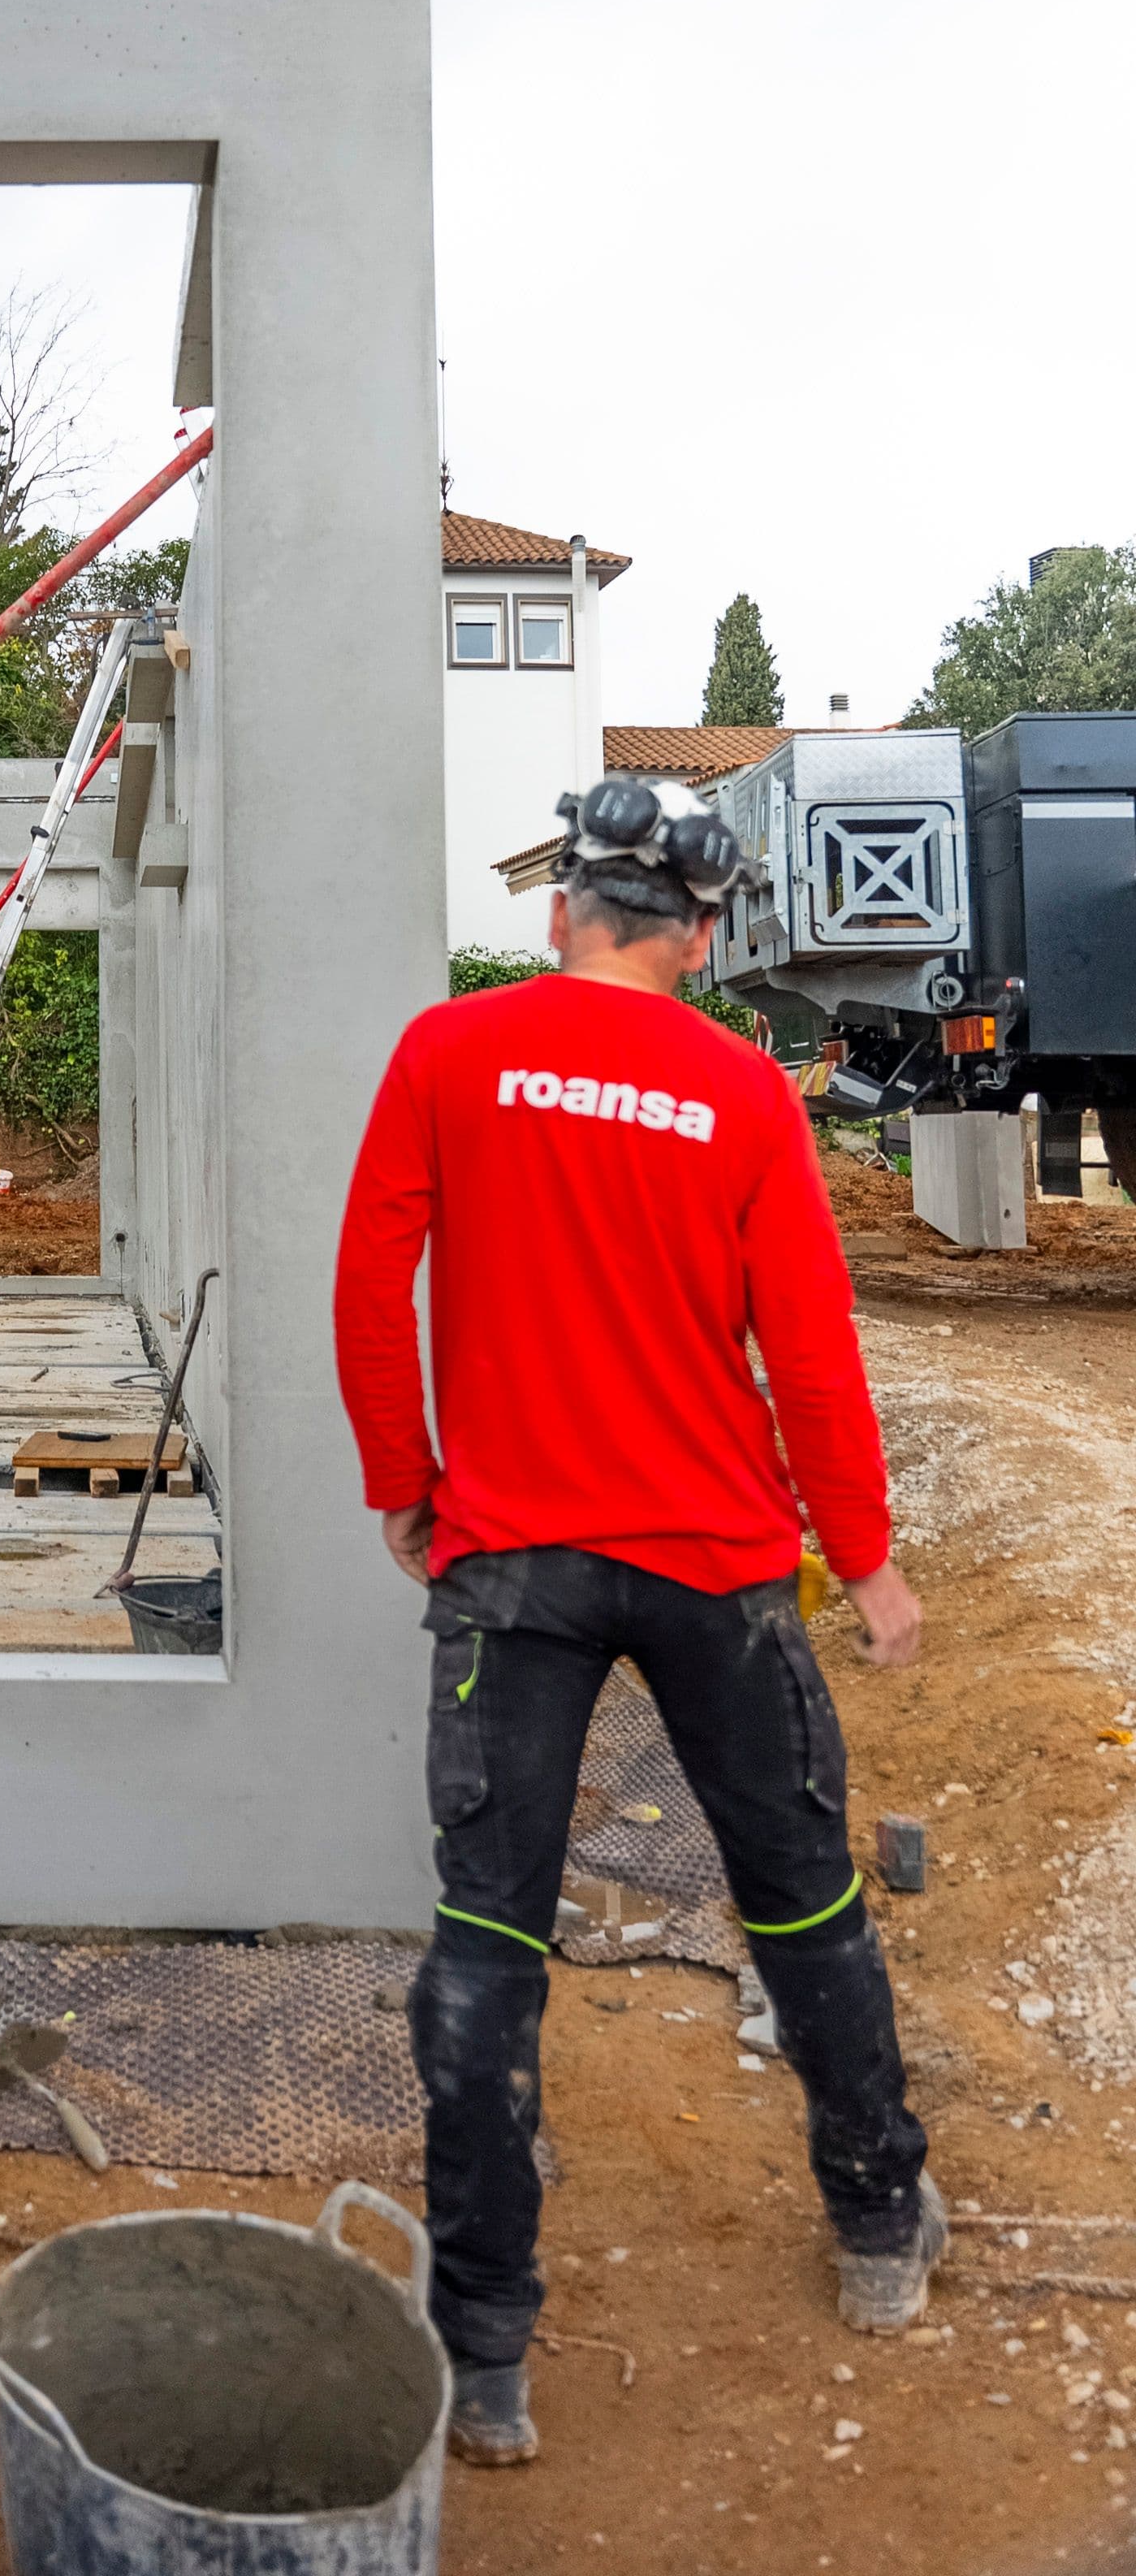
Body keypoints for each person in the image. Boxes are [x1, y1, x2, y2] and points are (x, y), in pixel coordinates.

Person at [333, 773, 939, 2470]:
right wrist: (866, 1555)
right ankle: (882, 2227)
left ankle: (488, 2349)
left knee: (491, 1942)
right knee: (805, 1899)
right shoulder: (744, 1093)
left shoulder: (449, 1053)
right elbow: (808, 1351)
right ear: (700, 930)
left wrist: (407, 1476)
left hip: (511, 1558)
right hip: (718, 1565)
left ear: (560, 912)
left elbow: (371, 1279)